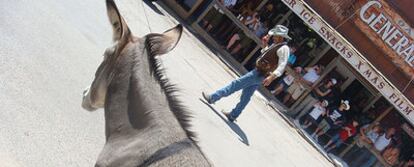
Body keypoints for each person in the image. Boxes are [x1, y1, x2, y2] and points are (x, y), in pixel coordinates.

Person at [202, 25, 291, 122]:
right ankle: (234, 115)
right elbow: (266, 54)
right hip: (260, 73)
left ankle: (213, 97)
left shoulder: (284, 48)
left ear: (281, 37)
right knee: (246, 96)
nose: (273, 37)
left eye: (275, 35)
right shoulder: (277, 45)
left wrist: (271, 77)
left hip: (259, 73)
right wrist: (265, 44)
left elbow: (282, 66)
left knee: (235, 84)